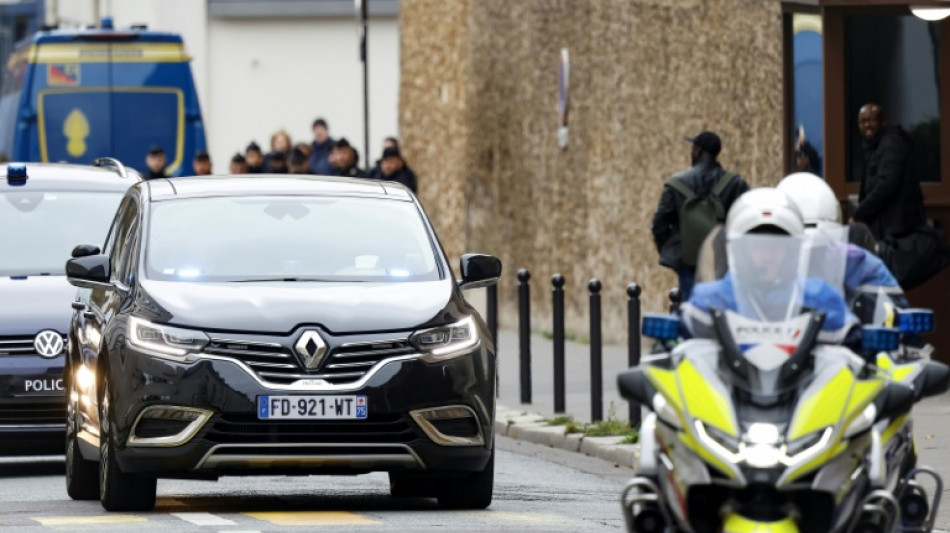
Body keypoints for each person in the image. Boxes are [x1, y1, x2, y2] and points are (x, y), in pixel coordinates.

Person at [681, 188, 856, 343]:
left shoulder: (819, 297)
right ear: (741, 251)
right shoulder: (714, 298)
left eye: (776, 247)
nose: (767, 256)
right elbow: (680, 337)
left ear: (791, 252)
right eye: (757, 247)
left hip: (804, 380)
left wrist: (863, 338)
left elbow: (854, 338)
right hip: (729, 380)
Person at [651, 131, 749, 299]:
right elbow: (746, 222)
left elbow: (659, 225)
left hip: (689, 264)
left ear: (697, 150)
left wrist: (677, 255)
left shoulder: (676, 184)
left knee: (692, 311)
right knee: (723, 311)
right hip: (724, 264)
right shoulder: (736, 184)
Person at [852, 103, 925, 242]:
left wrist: (858, 214)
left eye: (871, 120)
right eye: (863, 121)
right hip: (885, 228)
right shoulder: (873, 146)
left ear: (882, 122)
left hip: (898, 232)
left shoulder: (892, 143)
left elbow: (886, 185)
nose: (867, 125)